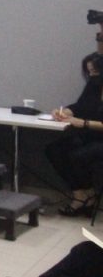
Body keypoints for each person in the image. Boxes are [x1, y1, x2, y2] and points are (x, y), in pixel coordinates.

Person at [44, 52, 103, 215]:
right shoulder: (93, 86)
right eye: (89, 72)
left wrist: (84, 123)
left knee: (77, 156)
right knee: (54, 149)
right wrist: (64, 112)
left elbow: (85, 119)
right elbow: (80, 106)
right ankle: (81, 194)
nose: (92, 75)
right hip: (90, 136)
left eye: (95, 71)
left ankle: (87, 196)